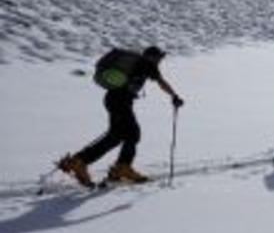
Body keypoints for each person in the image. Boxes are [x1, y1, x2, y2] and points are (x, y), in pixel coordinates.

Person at [58, 46, 184, 187]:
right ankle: (121, 168)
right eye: (159, 57)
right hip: (120, 101)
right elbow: (161, 82)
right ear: (152, 56)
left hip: (114, 99)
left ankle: (81, 162)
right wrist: (174, 96)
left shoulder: (140, 63)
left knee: (115, 137)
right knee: (133, 134)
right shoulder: (147, 64)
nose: (160, 61)